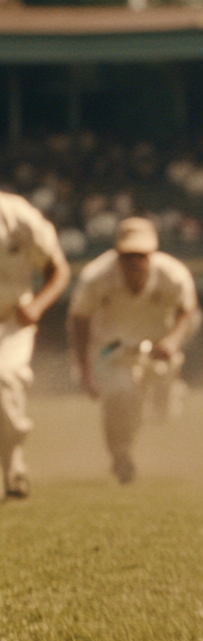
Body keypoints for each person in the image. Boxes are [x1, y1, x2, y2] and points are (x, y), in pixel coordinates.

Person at [68, 217, 201, 484]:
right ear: (117, 252)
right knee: (120, 394)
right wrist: (85, 370)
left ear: (152, 252)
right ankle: (120, 453)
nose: (134, 262)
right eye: (128, 255)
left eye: (141, 255)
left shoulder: (173, 274)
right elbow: (79, 319)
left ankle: (167, 394)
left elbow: (186, 311)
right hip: (111, 350)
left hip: (157, 349)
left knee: (159, 411)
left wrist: (173, 340)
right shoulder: (96, 276)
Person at [0, 193, 71, 500]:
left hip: (13, 319)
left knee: (4, 380)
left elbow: (58, 269)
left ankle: (14, 467)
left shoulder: (19, 216)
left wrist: (38, 306)